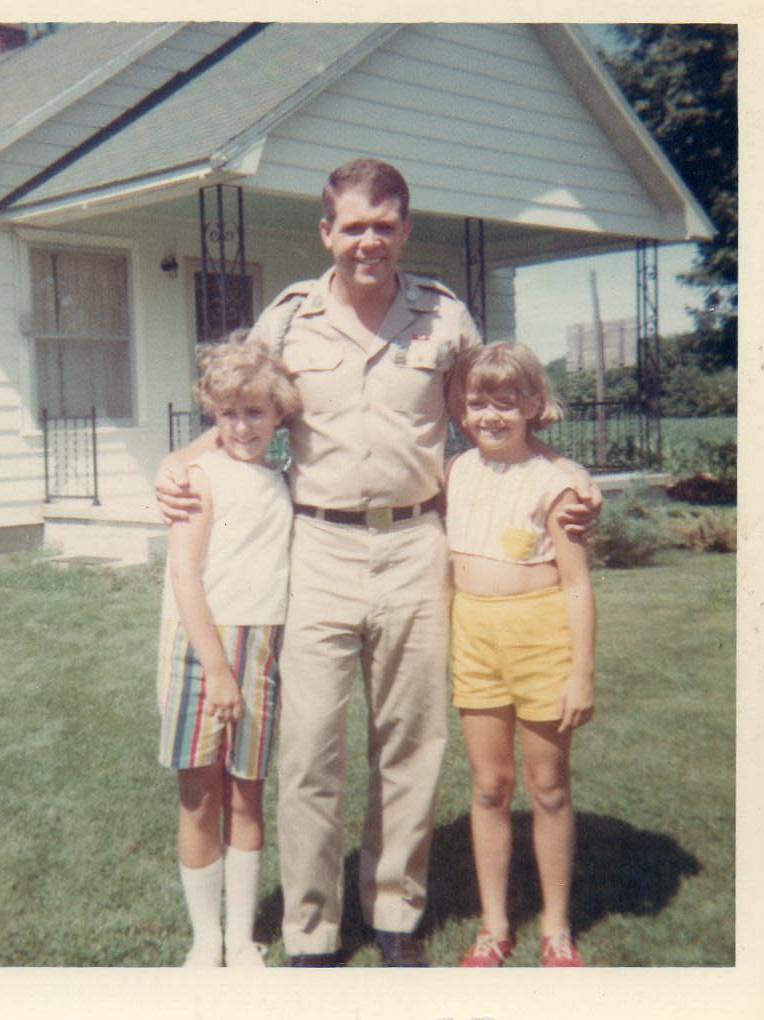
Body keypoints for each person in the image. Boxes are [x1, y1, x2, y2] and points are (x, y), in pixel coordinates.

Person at [156, 158, 601, 967]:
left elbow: (497, 409)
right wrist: (178, 461)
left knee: (409, 742)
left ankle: (394, 913)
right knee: (309, 747)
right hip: (317, 545)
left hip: (415, 548)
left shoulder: (444, 317)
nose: (369, 241)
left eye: (384, 225)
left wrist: (568, 479)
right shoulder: (290, 317)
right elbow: (235, 400)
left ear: (405, 228)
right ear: (327, 231)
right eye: (353, 226)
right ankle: (314, 929)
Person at [444, 343, 595, 968]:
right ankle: (495, 924)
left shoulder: (556, 482)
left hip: (540, 637)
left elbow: (578, 582)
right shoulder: (453, 472)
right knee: (488, 785)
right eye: (478, 403)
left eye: (506, 404)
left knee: (549, 786)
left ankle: (556, 926)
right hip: (474, 635)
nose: (490, 417)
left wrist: (581, 672)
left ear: (533, 405)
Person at [157, 337, 301, 968]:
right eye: (228, 414)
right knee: (200, 796)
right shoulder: (198, 479)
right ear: (213, 416)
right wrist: (216, 669)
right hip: (200, 648)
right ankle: (205, 940)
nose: (242, 427)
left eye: (255, 413)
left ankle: (242, 939)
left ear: (278, 415)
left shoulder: (282, 480)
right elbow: (186, 578)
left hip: (262, 643)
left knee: (247, 792)